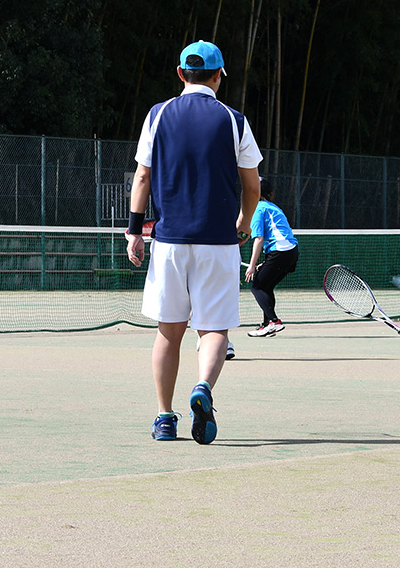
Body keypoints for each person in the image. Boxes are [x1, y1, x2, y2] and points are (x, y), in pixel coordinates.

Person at [125, 40, 262, 445]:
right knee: (213, 329)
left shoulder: (158, 114)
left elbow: (143, 178)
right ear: (219, 77)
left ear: (181, 74)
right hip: (218, 243)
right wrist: (244, 221)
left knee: (169, 333)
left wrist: (135, 230)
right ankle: (203, 387)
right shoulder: (235, 120)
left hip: (168, 241)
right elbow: (251, 186)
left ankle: (165, 419)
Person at [243, 178, 299, 342]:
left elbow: (259, 239)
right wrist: (268, 262)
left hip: (280, 252)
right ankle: (267, 324)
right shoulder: (273, 207)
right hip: (290, 251)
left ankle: (274, 321)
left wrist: (252, 266)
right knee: (266, 286)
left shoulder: (258, 209)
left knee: (257, 287)